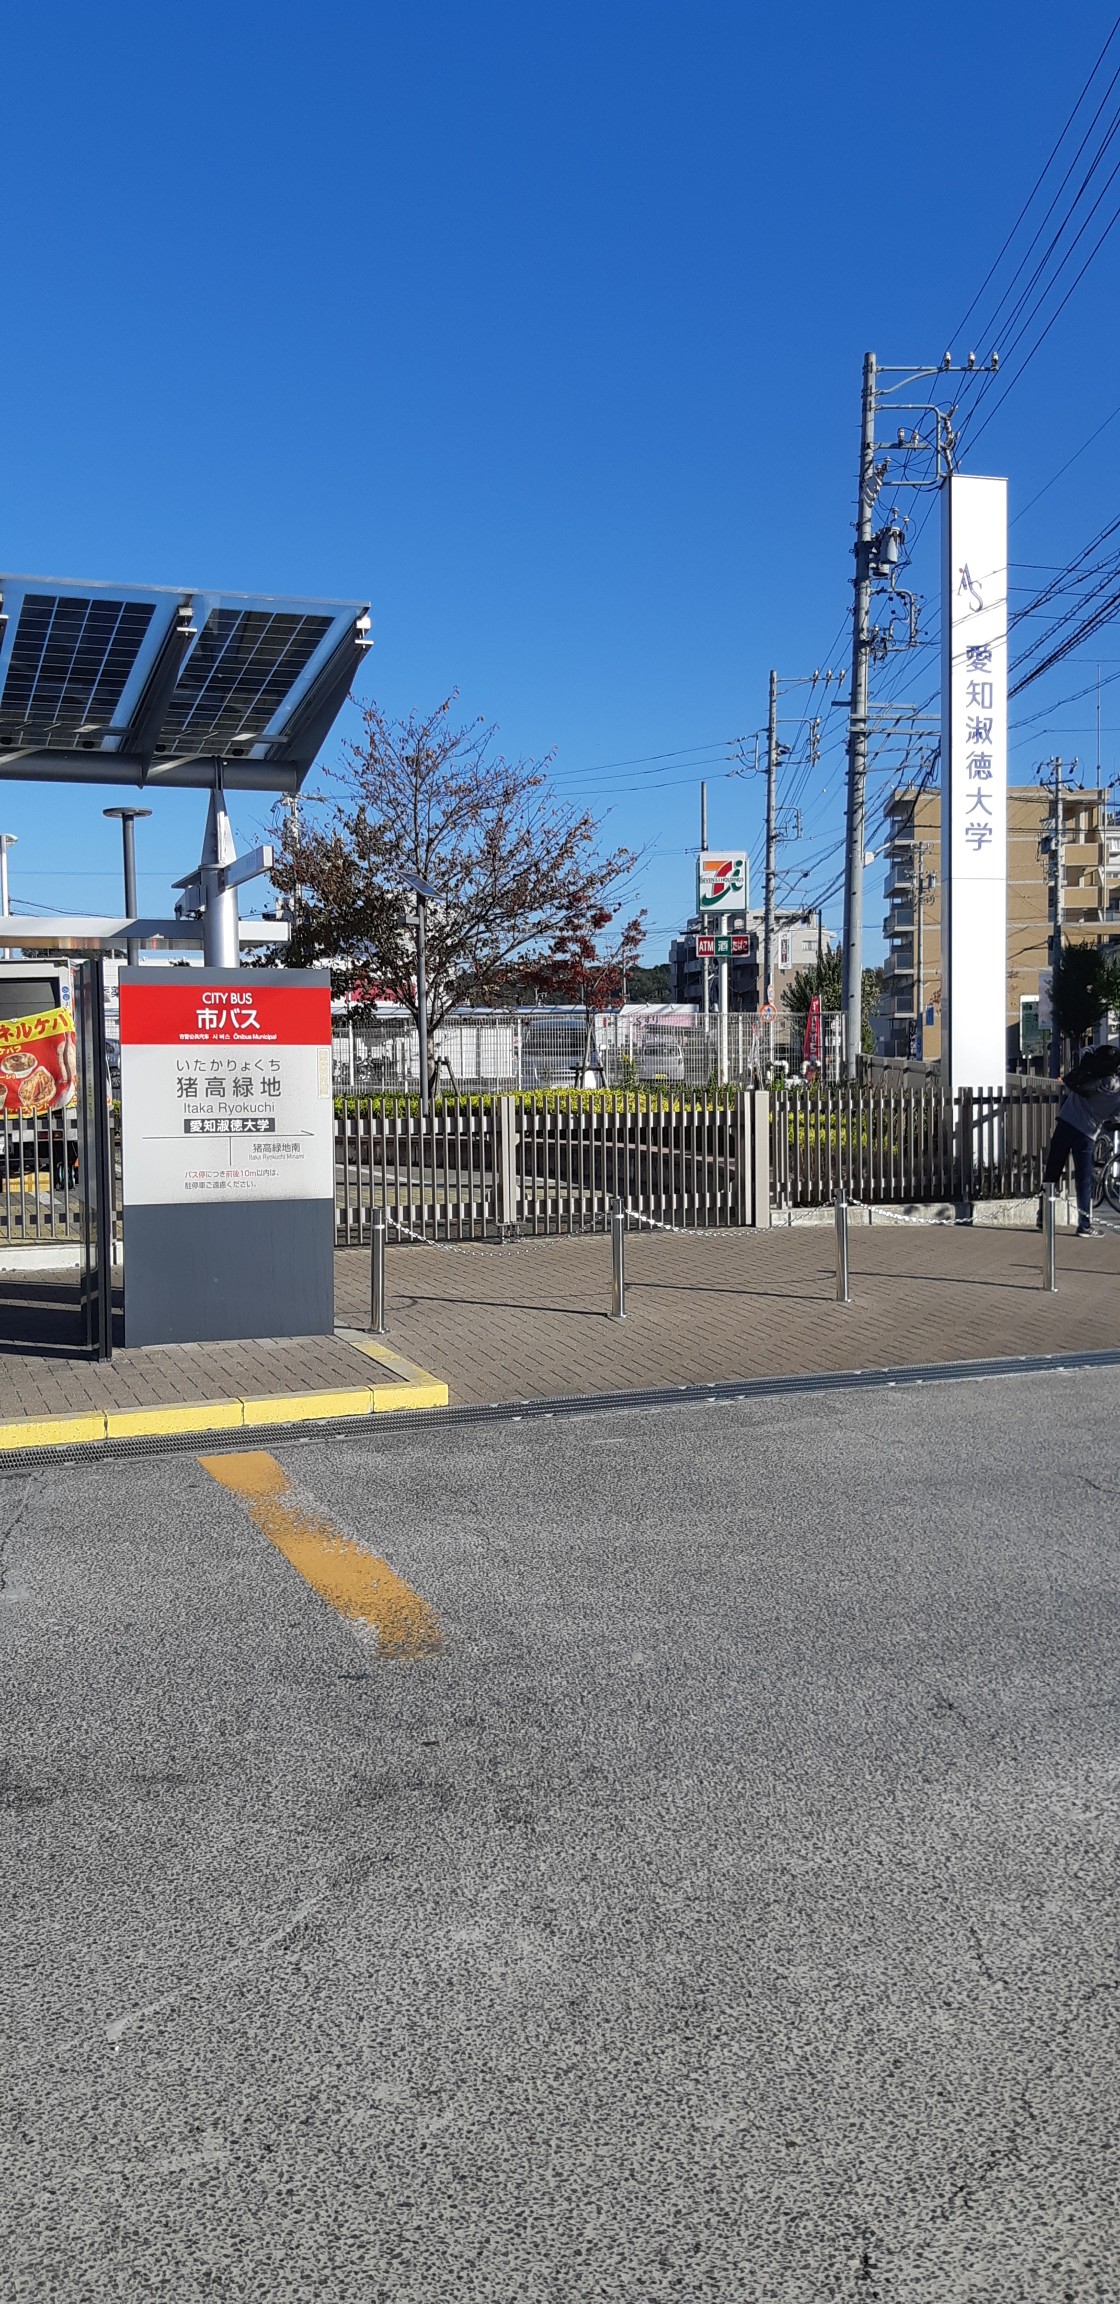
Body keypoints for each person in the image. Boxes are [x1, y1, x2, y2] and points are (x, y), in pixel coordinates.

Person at [1038, 1043, 1120, 1237]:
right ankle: (1084, 1225)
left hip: (1065, 1123)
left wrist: (1102, 1050)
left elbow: (1085, 1050)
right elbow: (1115, 1117)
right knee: (1084, 1182)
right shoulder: (1117, 1092)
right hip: (1087, 1134)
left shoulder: (1088, 1074)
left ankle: (1042, 1216)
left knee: (1052, 1173)